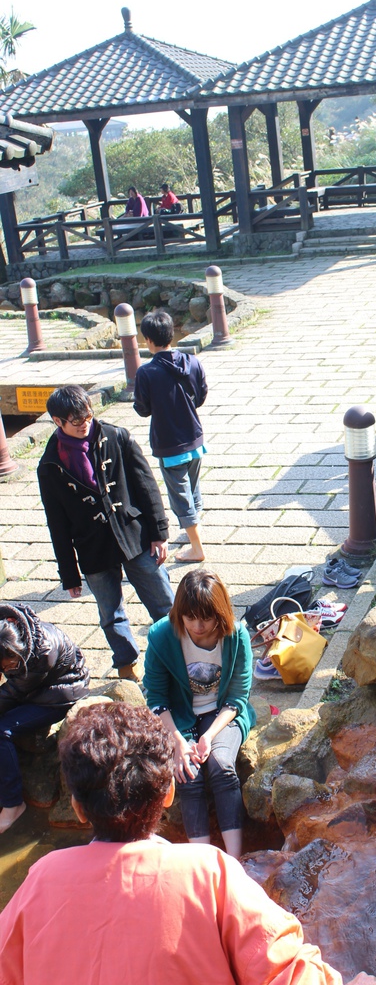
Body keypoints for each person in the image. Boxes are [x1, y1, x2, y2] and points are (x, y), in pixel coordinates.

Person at [0, 702, 376, 985]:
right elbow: (283, 970)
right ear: (168, 793)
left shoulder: (40, 879)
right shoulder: (208, 872)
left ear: (78, 809)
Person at [38, 385, 175, 682]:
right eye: (76, 420)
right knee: (110, 614)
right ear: (57, 421)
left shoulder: (116, 436)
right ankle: (126, 663)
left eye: (87, 414)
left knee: (163, 600)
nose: (85, 422)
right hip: (92, 547)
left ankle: (180, 650)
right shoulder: (49, 464)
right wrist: (69, 574)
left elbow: (146, 486)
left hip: (133, 534)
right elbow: (56, 522)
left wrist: (160, 533)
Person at [143, 569, 254, 857]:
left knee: (221, 765)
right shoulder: (161, 636)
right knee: (187, 774)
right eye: (189, 617)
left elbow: (238, 696)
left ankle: (235, 859)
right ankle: (202, 861)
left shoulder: (236, 635)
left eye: (206, 618)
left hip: (223, 715)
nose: (198, 626)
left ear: (220, 613)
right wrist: (178, 742)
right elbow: (156, 697)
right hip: (180, 716)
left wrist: (210, 735)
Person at [0, 603, 89, 834]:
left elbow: (11, 694)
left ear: (19, 651)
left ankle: (13, 804)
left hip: (59, 693)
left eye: (10, 664)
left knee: (2, 730)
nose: (6, 669)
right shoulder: (9, 634)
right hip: (33, 689)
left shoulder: (43, 652)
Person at [134, 309, 208, 563]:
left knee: (180, 494)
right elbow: (200, 394)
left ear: (148, 340)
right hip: (194, 437)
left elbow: (142, 409)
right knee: (193, 486)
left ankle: (197, 548)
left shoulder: (147, 372)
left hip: (169, 443)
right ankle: (193, 531)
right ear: (171, 334)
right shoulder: (192, 361)